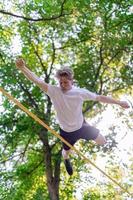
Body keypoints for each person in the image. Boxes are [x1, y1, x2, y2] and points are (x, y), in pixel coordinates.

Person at [15, 58, 130, 175]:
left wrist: (119, 102)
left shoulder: (80, 92)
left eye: (65, 82)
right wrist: (23, 68)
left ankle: (84, 131)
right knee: (66, 152)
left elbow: (100, 98)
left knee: (102, 141)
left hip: (81, 127)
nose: (63, 85)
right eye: (61, 82)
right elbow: (38, 81)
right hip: (66, 132)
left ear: (72, 82)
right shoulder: (54, 91)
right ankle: (66, 160)